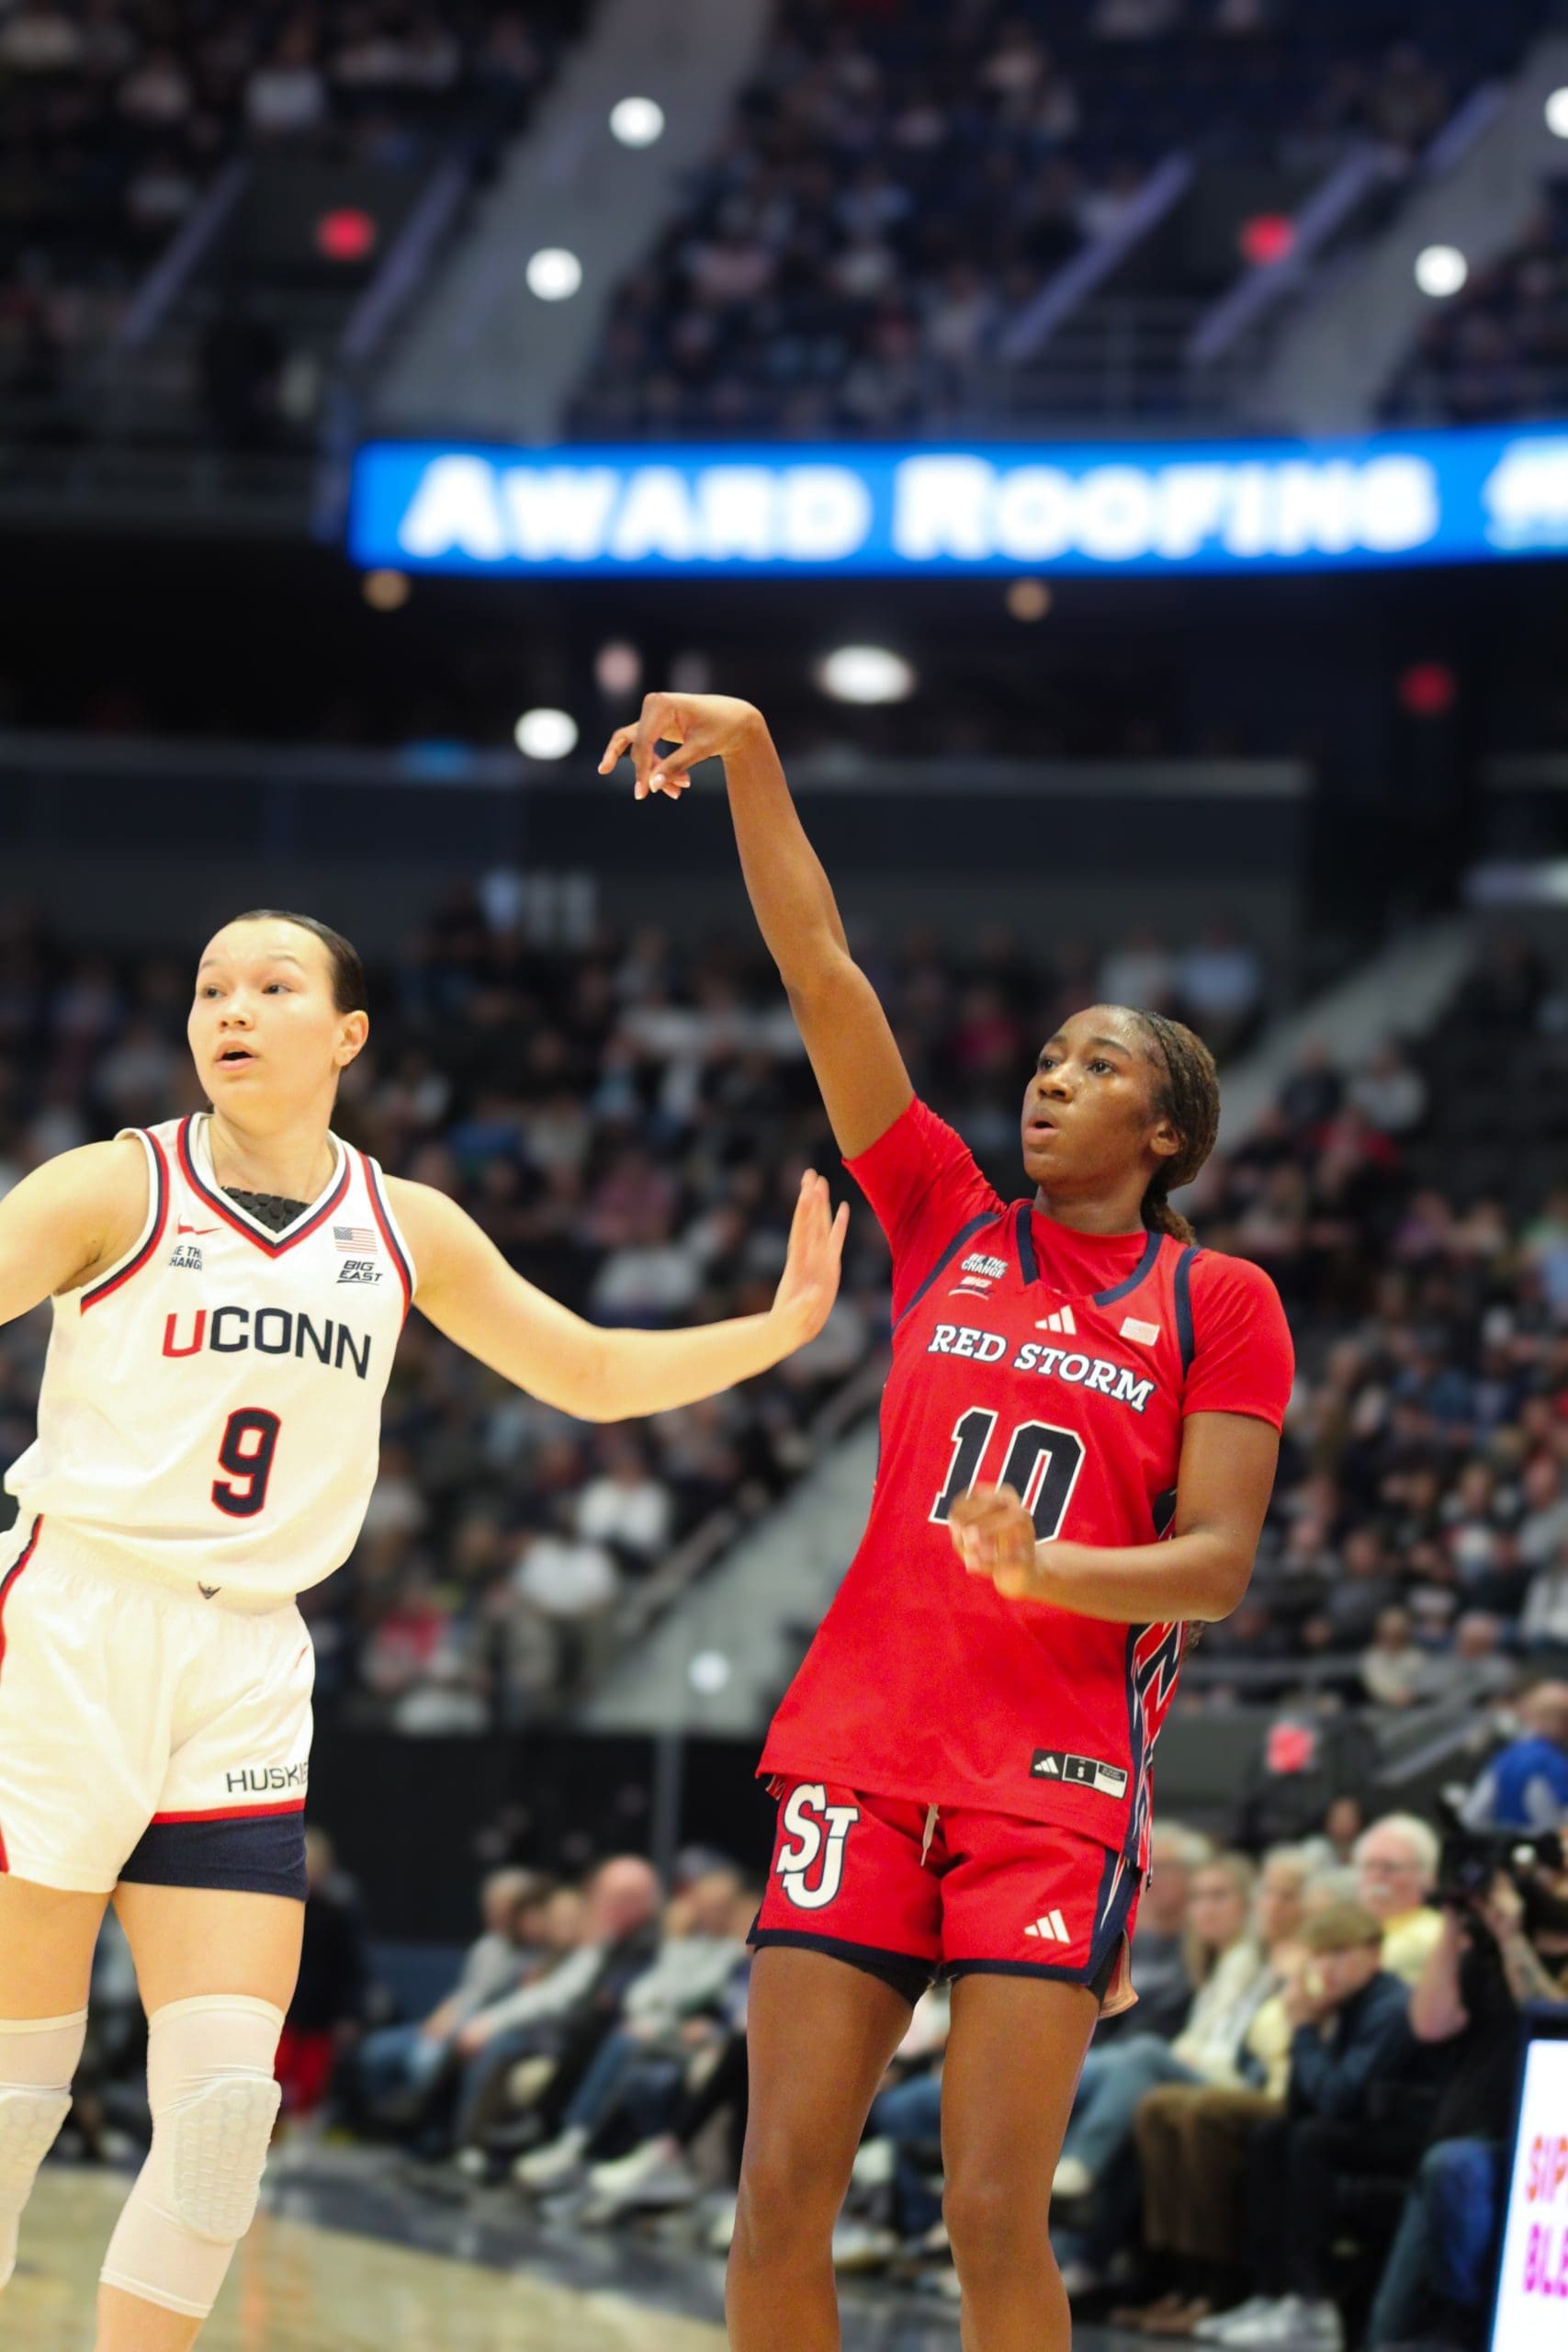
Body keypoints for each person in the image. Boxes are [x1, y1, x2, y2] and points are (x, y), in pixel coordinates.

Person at [0, 908, 849, 2352]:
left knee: (220, 2114)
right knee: (18, 2094)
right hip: (71, 1625)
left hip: (251, 1659)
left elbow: (581, 1368)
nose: (233, 1009)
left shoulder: (403, 1225)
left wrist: (771, 1333)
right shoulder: (114, 1185)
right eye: (211, 986)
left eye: (274, 985)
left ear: (347, 1034)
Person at [602, 694, 1294, 2352]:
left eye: (1099, 1067)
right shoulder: (941, 1218)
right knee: (779, 2195)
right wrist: (754, 755)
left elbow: (1214, 1564)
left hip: (1051, 1784)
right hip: (858, 1746)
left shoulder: (1222, 1302)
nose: (1052, 1083)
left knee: (989, 2211)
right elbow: (822, 971)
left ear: (1168, 1131)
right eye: (1049, 1059)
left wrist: (1047, 1567)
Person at [1201, 1901, 1428, 2351]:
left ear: (1374, 1954)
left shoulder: (1390, 2006)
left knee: (1311, 2141)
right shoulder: (1341, 2005)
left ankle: (1313, 2305)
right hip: (1356, 2128)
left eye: (1340, 1953)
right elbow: (1303, 2104)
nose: (1328, 1967)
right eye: (1320, 1955)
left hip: (1404, 2136)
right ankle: (1271, 2294)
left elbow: (1339, 2100)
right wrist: (1311, 2028)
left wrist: (1305, 2032)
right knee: (1272, 2134)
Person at [1460, 1679, 1568, 1829]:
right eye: (1564, 1718)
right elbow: (1557, 1824)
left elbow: (1471, 1817)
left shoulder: (1505, 1758)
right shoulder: (1553, 1763)